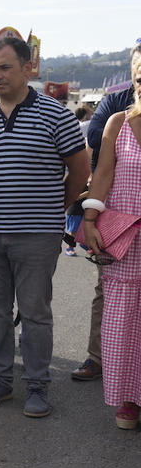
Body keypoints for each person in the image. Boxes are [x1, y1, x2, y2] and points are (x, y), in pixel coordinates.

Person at [0, 37, 89, 418]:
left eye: (4, 67)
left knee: (35, 312)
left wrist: (53, 207)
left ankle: (37, 386)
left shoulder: (57, 115)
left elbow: (79, 171)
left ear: (27, 68)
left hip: (37, 233)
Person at [72, 42, 140, 381]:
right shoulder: (117, 118)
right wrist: (89, 219)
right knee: (119, 310)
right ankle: (122, 387)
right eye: (140, 78)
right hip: (125, 231)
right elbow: (103, 170)